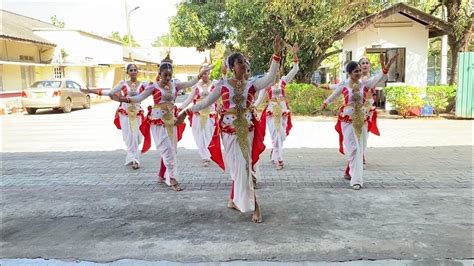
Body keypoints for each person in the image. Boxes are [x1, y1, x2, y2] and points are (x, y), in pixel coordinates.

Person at [176, 36, 284, 222]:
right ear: (232, 67)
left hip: (247, 131)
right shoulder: (223, 85)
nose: (243, 64)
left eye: (244, 61)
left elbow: (270, 79)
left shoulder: (252, 84)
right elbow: (206, 102)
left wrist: (276, 55)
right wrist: (187, 111)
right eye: (239, 62)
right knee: (237, 167)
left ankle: (254, 205)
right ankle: (235, 199)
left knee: (244, 166)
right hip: (228, 132)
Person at [110, 55, 213, 192]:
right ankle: (172, 178)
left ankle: (162, 175)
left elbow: (191, 82)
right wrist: (122, 99)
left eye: (170, 75)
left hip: (172, 122)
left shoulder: (176, 85)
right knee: (167, 150)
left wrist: (201, 73)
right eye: (165, 75)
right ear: (160, 74)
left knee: (172, 150)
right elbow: (138, 97)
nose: (168, 77)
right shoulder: (153, 87)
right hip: (158, 122)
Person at [320, 53, 397, 190]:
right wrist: (325, 104)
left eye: (360, 71)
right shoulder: (344, 85)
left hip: (361, 120)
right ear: (350, 73)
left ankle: (356, 180)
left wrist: (387, 66)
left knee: (359, 149)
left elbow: (379, 77)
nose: (359, 73)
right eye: (356, 71)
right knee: (353, 149)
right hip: (347, 121)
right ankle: (351, 172)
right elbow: (334, 95)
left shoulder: (365, 84)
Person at [82, 63, 148, 170]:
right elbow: (110, 92)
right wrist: (91, 91)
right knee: (130, 136)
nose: (133, 72)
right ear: (127, 72)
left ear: (137, 71)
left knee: (137, 136)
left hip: (137, 112)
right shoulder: (123, 84)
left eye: (135, 70)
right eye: (131, 70)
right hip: (126, 112)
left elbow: (154, 89)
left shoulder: (143, 84)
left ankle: (133, 155)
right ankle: (135, 159)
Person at [254, 43, 299, 170]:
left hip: (283, 111)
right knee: (276, 135)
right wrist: (252, 108)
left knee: (282, 135)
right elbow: (259, 100)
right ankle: (279, 159)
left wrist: (295, 54)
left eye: (279, 68)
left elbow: (295, 70)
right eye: (275, 68)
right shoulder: (266, 84)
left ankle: (275, 152)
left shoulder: (284, 80)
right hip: (271, 113)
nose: (277, 71)